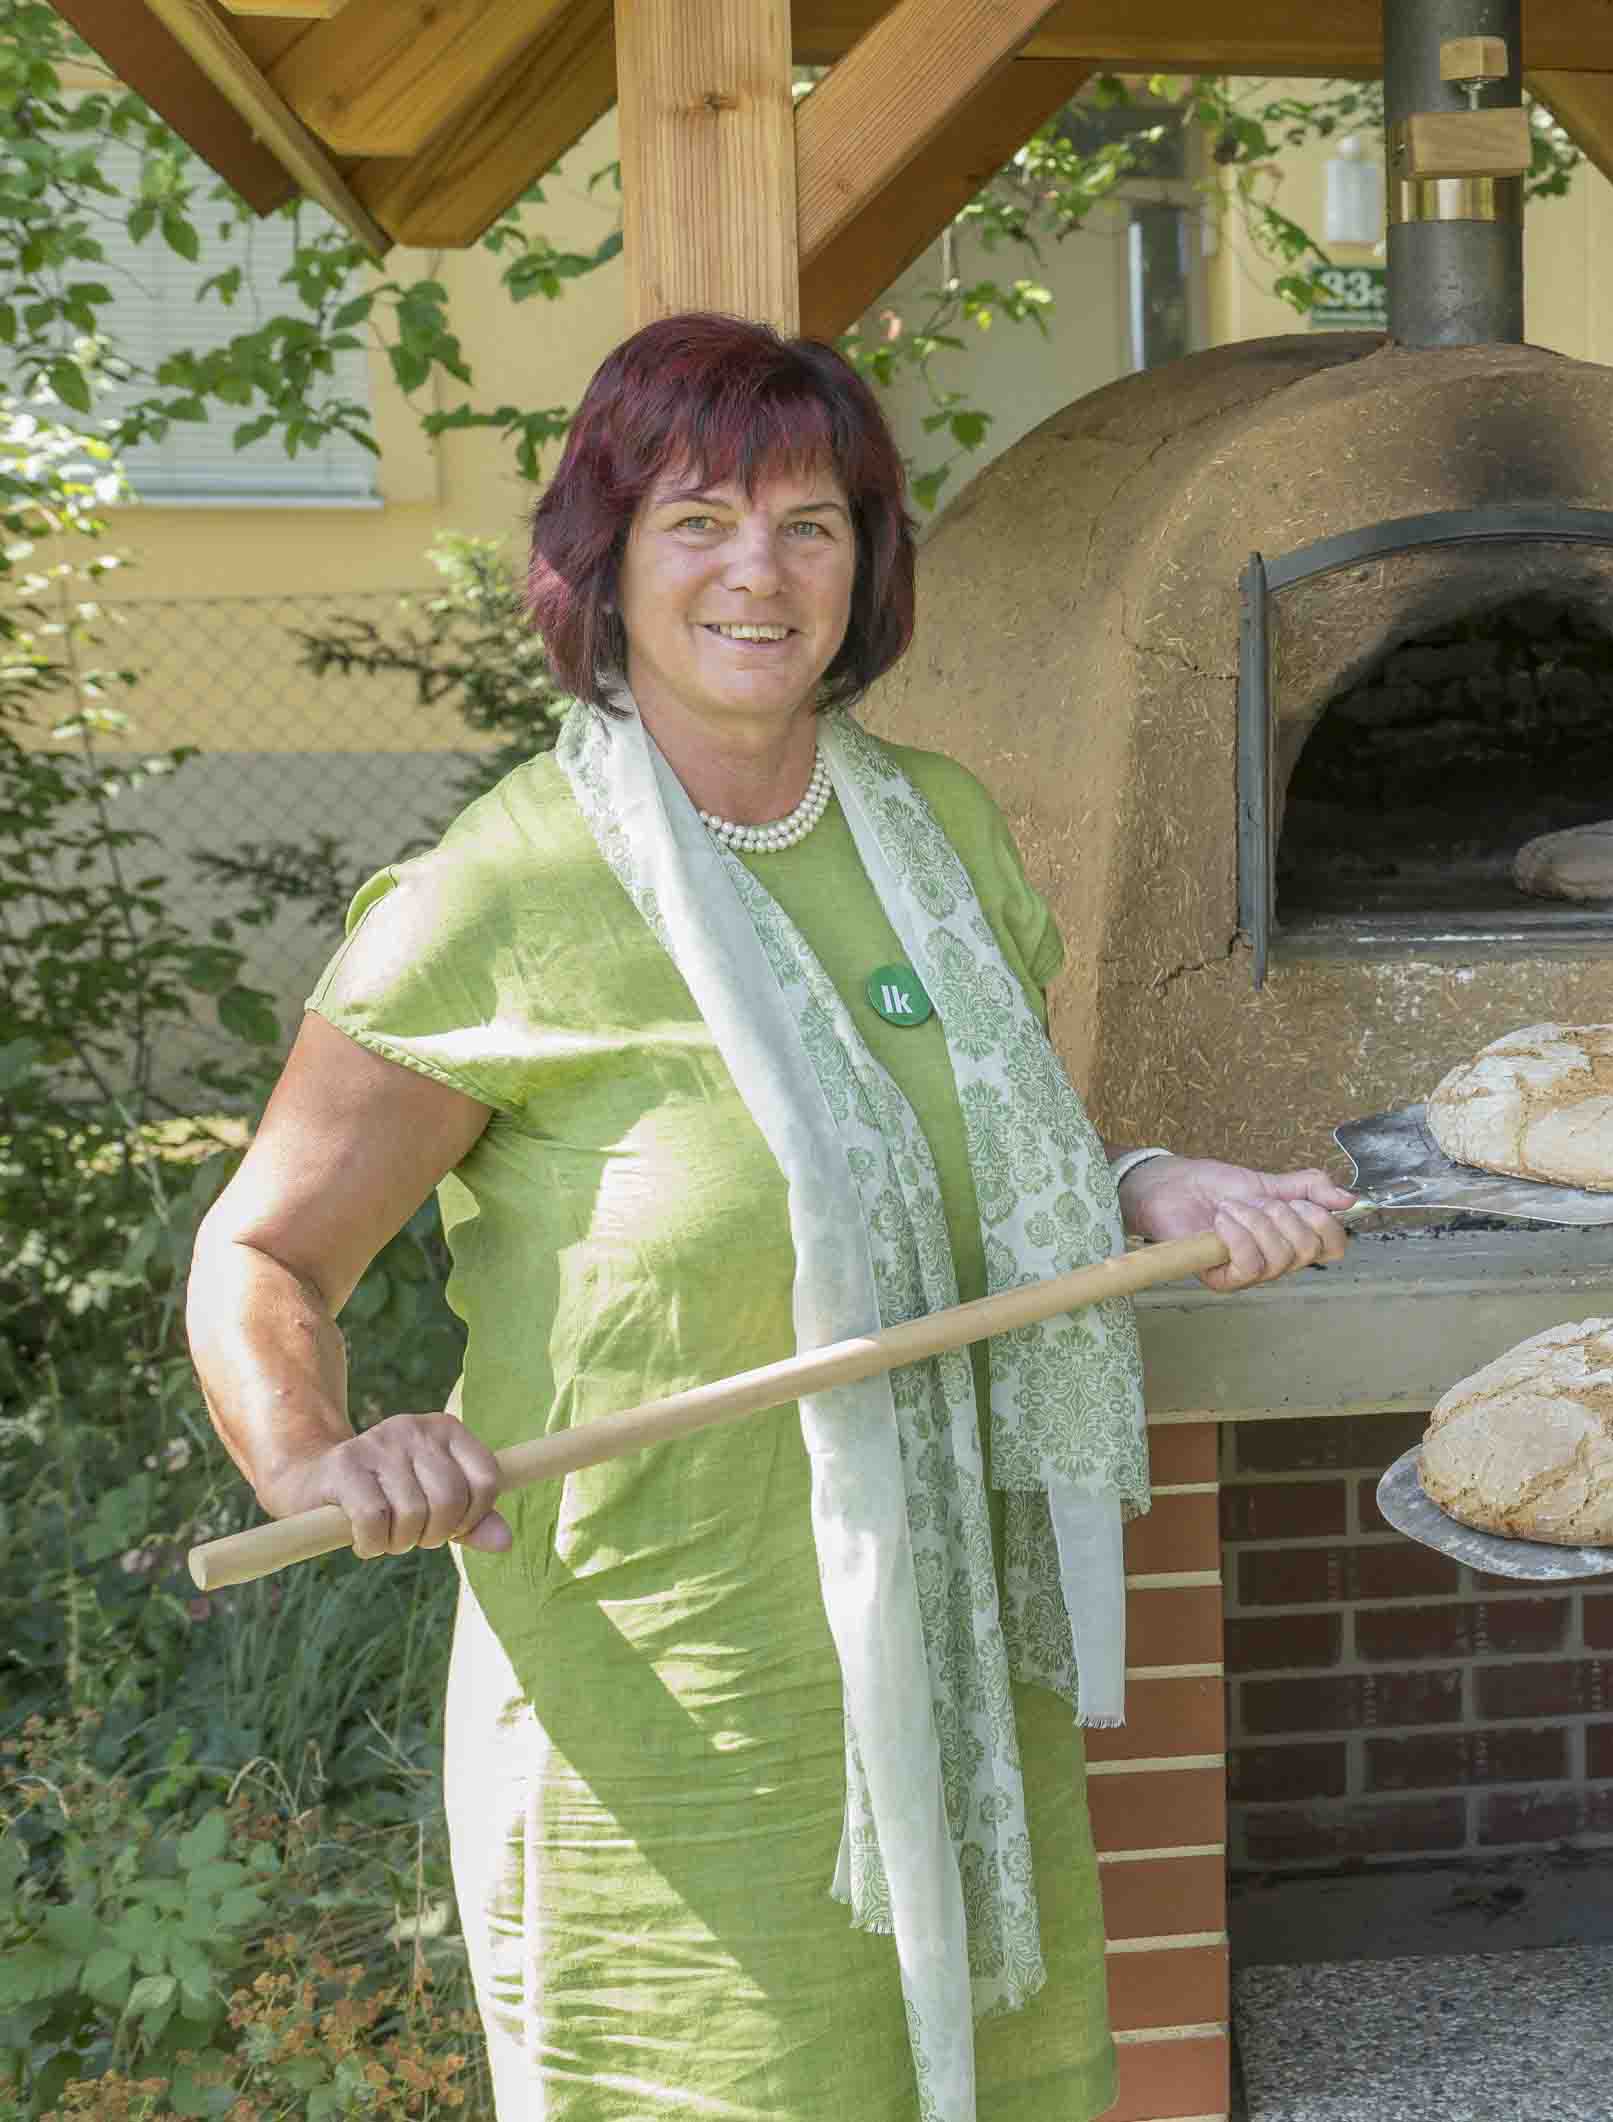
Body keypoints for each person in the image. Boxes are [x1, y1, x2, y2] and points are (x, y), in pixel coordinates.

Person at [186, 313, 1355, 2122]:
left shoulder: (940, 833)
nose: (760, 569)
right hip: (677, 1721)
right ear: (605, 561)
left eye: (811, 522)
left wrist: (1145, 1186)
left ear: (867, 566)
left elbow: (958, 1147)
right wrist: (315, 1455)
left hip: (954, 1677)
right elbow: (263, 1253)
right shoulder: (508, 884)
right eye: (699, 520)